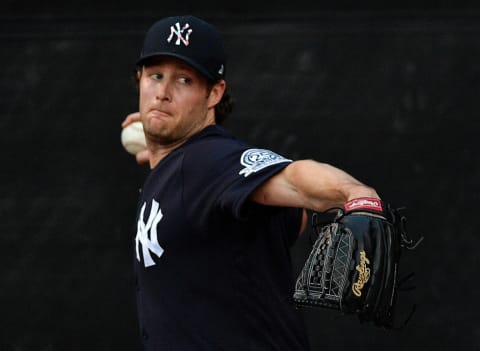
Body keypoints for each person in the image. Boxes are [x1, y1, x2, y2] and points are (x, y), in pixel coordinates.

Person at [122, 15, 380, 351]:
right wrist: (159, 149)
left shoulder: (207, 161)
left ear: (214, 93)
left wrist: (355, 194)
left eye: (184, 80)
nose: (164, 93)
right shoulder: (187, 170)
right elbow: (294, 216)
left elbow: (293, 179)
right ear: (140, 79)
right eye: (156, 76)